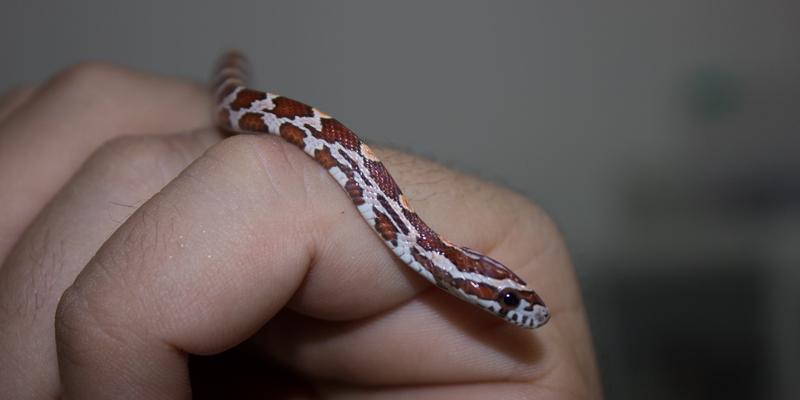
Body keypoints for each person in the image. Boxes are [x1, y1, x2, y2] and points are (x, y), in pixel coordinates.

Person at [0, 62, 603, 398]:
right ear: (469, 276)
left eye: (509, 297)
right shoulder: (418, 242)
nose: (517, 308)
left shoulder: (426, 256)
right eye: (505, 295)